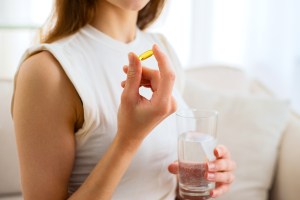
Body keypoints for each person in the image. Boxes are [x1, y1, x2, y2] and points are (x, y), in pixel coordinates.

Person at [12, 0, 236, 199]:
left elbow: (158, 186)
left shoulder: (161, 47)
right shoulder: (47, 70)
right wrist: (128, 140)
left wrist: (195, 186)